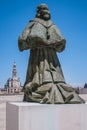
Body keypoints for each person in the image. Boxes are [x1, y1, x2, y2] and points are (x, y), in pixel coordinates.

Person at [18, 4, 85, 104]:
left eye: (47, 9)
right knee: (40, 74)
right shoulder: (33, 24)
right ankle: (45, 88)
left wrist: (48, 42)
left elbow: (61, 43)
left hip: (51, 57)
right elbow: (22, 41)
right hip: (38, 56)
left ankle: (51, 89)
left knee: (53, 76)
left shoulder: (52, 25)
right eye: (44, 10)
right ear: (39, 12)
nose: (47, 12)